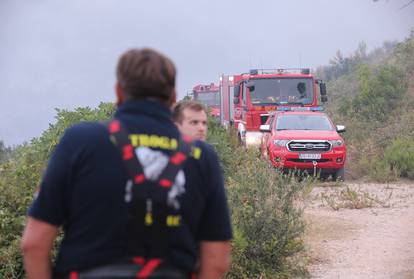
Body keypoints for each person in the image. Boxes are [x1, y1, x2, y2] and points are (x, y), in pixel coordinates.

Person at [21, 48, 232, 279]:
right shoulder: (202, 156)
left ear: (119, 92)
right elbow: (217, 261)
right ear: (173, 97)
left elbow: (33, 244)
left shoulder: (80, 141)